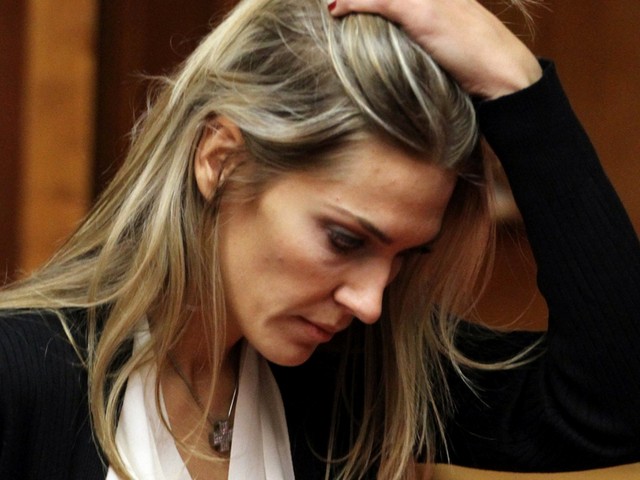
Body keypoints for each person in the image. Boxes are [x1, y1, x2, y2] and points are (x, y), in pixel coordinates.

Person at [0, 1, 638, 480]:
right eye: (344, 239)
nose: (370, 303)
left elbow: (613, 405)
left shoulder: (349, 384)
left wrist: (516, 83)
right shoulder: (20, 380)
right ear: (219, 159)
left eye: (402, 257)